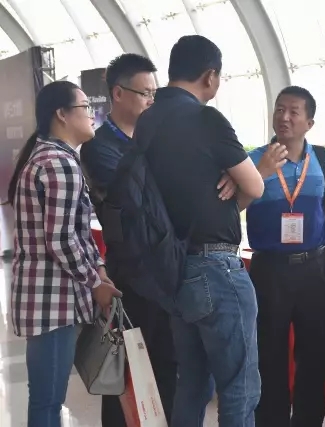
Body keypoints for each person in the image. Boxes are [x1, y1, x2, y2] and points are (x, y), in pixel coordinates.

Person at [138, 35, 279, 427]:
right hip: (217, 269)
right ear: (210, 76)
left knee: (193, 383)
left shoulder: (147, 120)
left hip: (174, 266)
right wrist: (243, 175)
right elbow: (255, 186)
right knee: (239, 388)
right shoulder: (206, 118)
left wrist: (227, 181)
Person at [8, 80, 121, 427]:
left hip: (47, 299)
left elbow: (75, 232)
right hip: (53, 303)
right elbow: (61, 239)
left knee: (46, 399)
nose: (92, 115)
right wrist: (95, 283)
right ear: (62, 114)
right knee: (47, 402)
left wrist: (98, 267)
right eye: (85, 107)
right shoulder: (59, 163)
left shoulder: (50, 158)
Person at [80, 53, 180, 426]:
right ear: (118, 93)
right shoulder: (99, 146)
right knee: (125, 371)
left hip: (165, 270)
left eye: (155, 93)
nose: (152, 101)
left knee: (166, 366)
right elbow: (133, 202)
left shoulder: (157, 140)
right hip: (131, 275)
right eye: (145, 93)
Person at [244, 86, 325, 427]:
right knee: (269, 355)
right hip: (270, 270)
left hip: (314, 268)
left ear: (309, 123)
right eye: (279, 109)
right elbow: (233, 205)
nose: (284, 117)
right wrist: (261, 172)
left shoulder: (321, 158)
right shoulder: (254, 159)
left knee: (314, 354)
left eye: (293, 112)